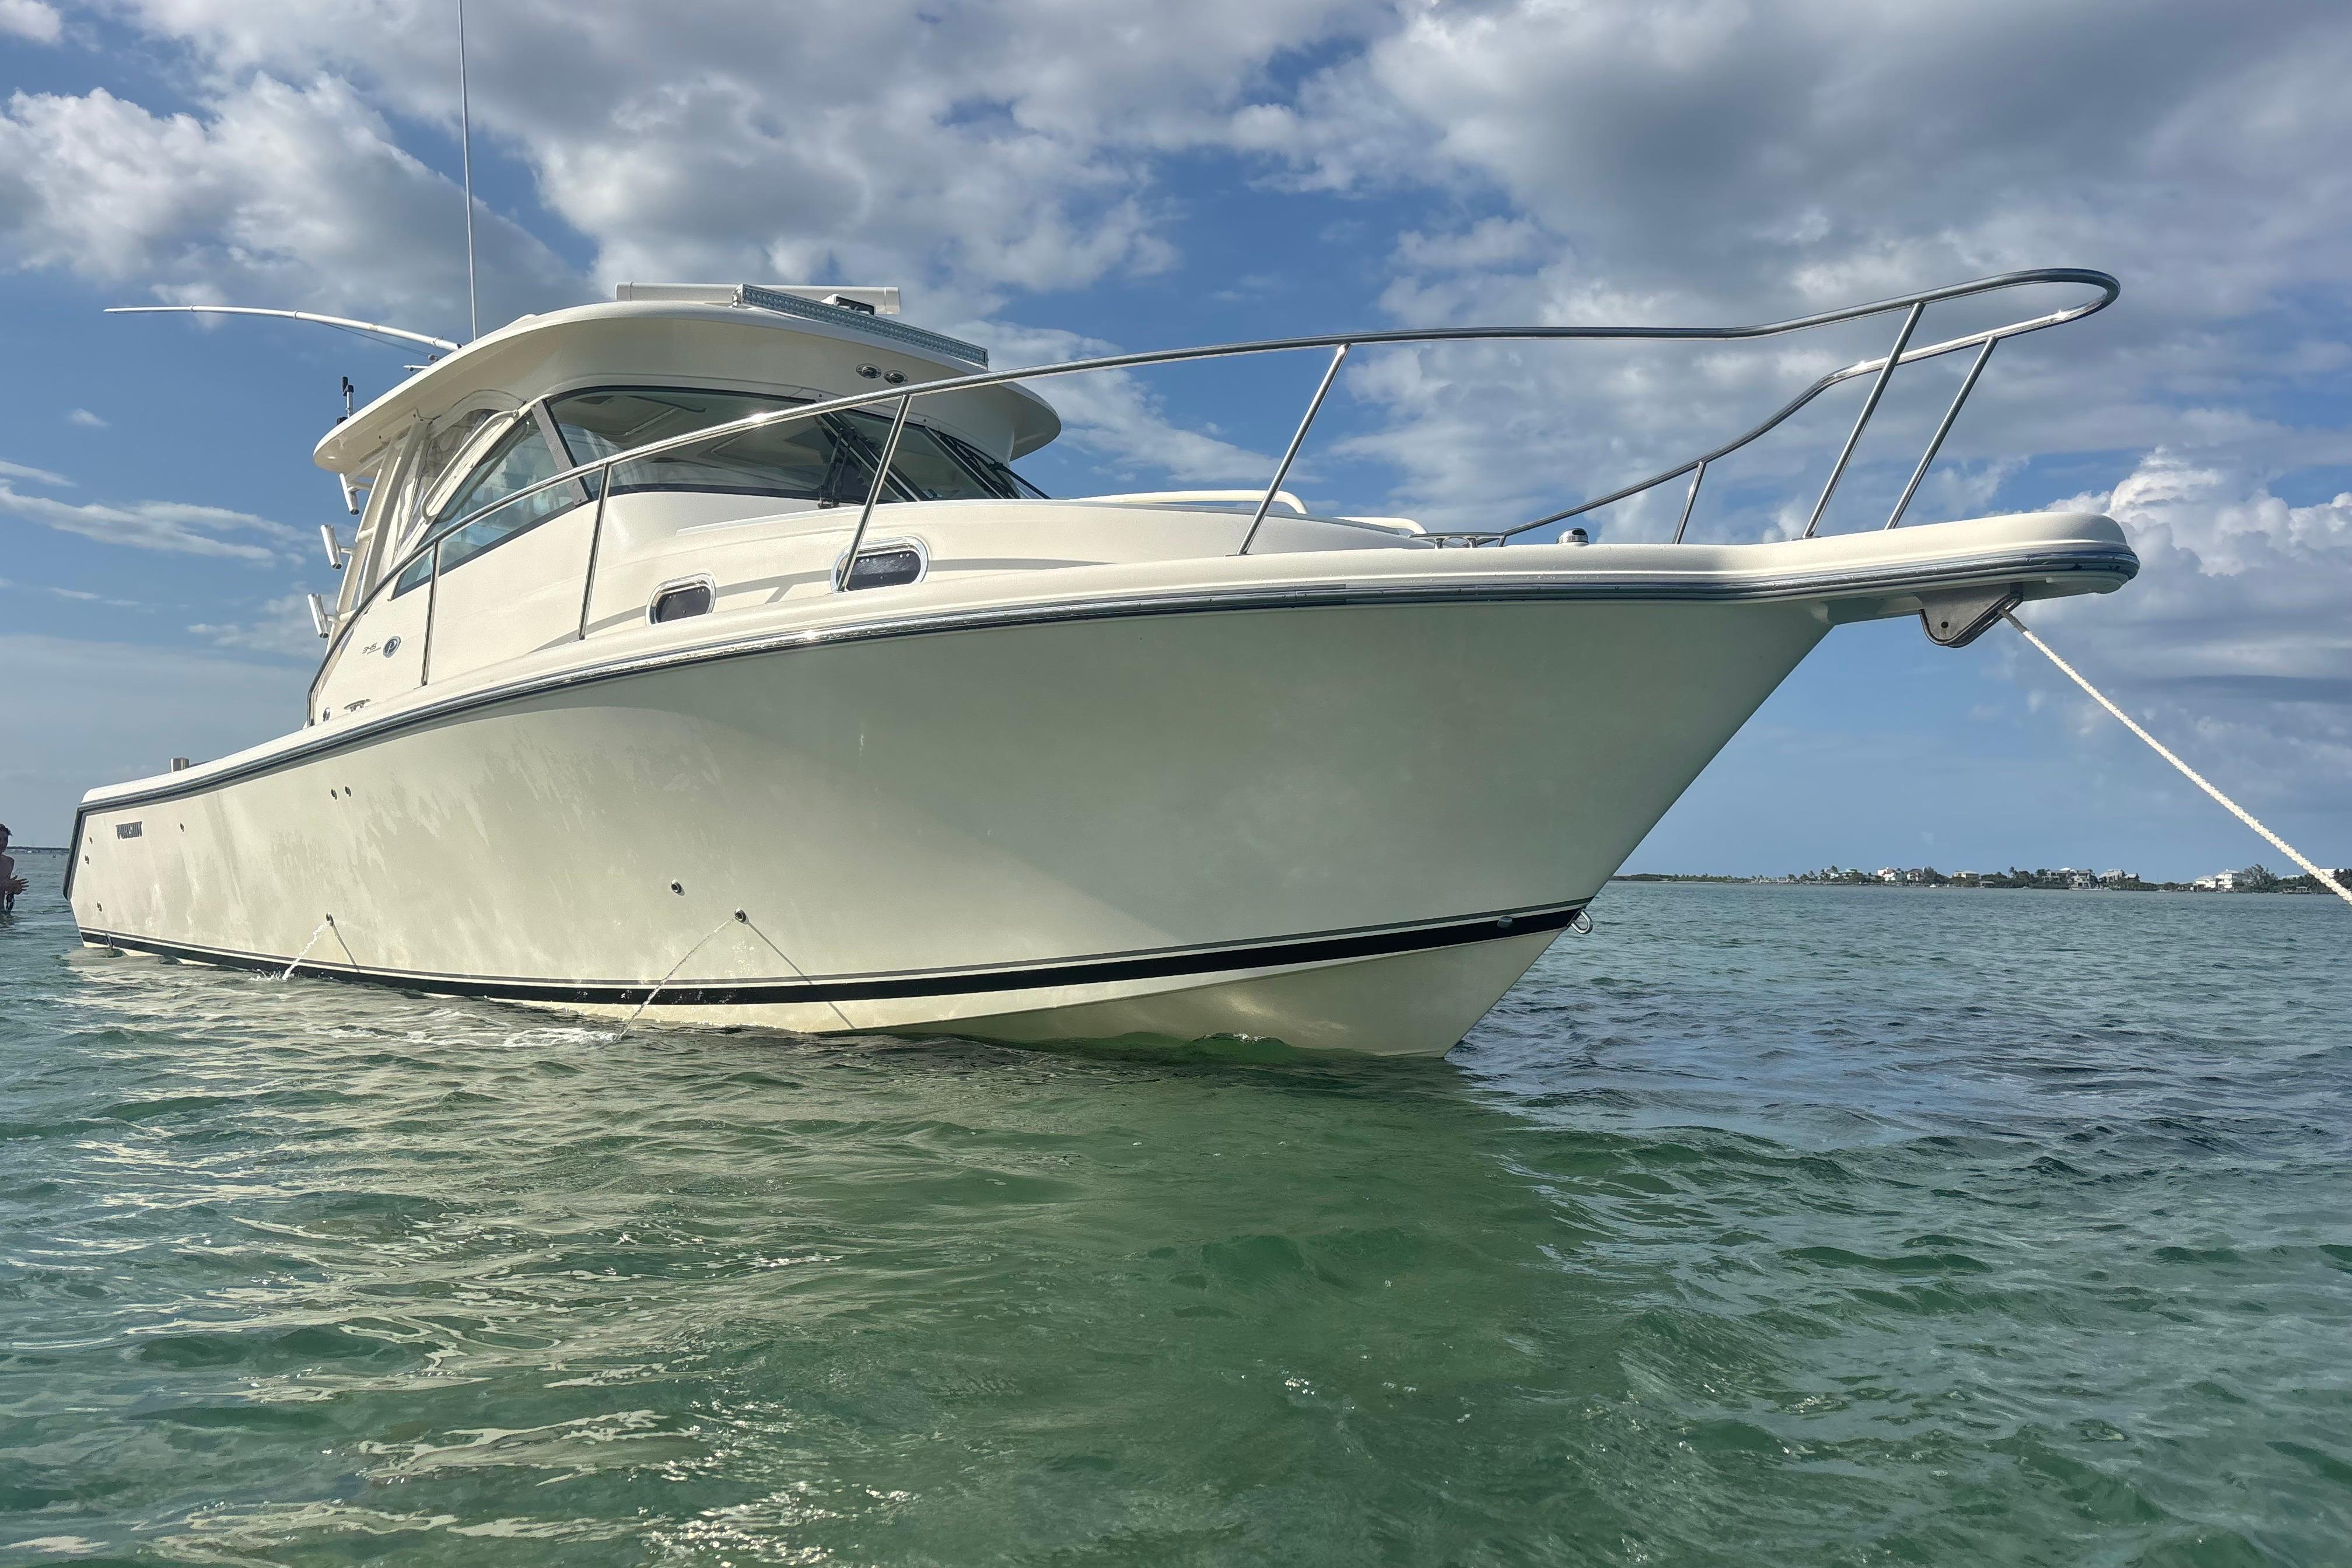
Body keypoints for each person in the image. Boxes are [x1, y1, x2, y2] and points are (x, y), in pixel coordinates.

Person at [0, 822, 22, 912]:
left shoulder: (9, 862)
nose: (3, 843)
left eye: (5, 839)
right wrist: (2, 884)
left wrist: (14, 889)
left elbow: (8, 893)